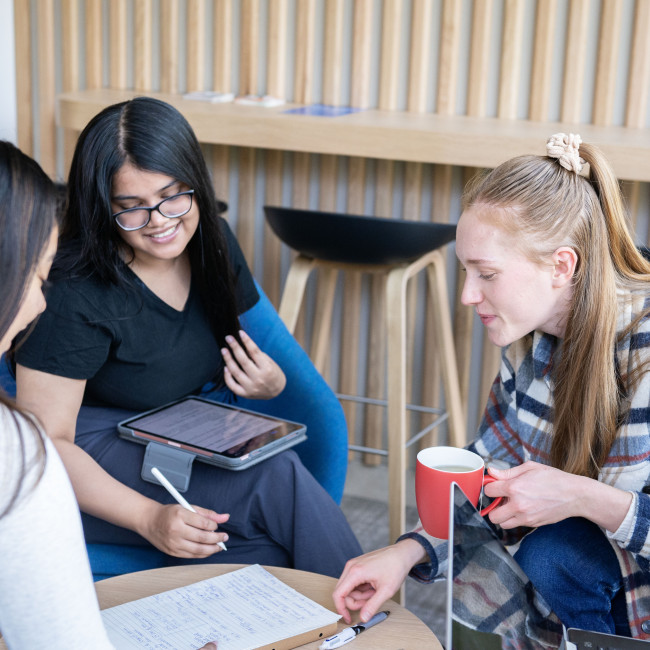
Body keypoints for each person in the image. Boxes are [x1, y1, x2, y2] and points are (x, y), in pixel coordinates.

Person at [14, 97, 361, 578]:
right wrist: (148, 518)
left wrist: (272, 385)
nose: (159, 221)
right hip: (88, 448)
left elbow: (264, 363)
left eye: (173, 196)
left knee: (265, 545)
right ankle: (373, 624)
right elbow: (45, 444)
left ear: (195, 183)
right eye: (131, 208)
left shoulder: (211, 240)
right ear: (102, 208)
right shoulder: (77, 289)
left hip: (176, 429)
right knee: (271, 480)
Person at [332, 133, 650, 639]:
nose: (466, 294)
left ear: (561, 266)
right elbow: (484, 469)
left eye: (487, 273)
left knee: (552, 548)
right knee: (553, 549)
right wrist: (405, 550)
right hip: (589, 571)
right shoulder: (530, 342)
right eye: (466, 271)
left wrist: (581, 497)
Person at [0, 140, 220, 649]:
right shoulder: (16, 452)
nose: (39, 303)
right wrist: (148, 517)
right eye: (37, 275)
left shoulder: (211, 246)